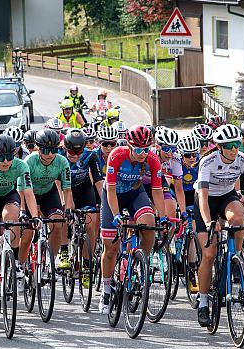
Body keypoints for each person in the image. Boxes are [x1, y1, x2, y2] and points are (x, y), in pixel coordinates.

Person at [194, 124, 244, 327]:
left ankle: (235, 257)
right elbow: (203, 197)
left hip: (227, 196)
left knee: (239, 218)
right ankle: (203, 300)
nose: (234, 149)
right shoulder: (208, 162)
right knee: (209, 254)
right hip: (206, 200)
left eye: (237, 144)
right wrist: (207, 223)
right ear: (220, 147)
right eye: (229, 145)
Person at [98, 125, 168, 314]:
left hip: (135, 194)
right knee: (111, 248)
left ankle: (140, 264)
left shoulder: (153, 160)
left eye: (146, 149)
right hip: (113, 197)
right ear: (129, 146)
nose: (142, 154)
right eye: (138, 150)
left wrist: (162, 216)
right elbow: (110, 190)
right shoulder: (117, 155)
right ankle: (105, 289)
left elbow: (156, 191)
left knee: (150, 224)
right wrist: (116, 216)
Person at [0, 134, 39, 318]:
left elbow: (28, 193)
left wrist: (34, 216)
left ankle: (10, 256)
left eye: (9, 157)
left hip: (8, 197)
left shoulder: (21, 165)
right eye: (0, 158)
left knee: (11, 219)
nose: (5, 162)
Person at [19, 129, 72, 272]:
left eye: (53, 150)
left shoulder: (62, 161)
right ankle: (20, 267)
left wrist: (67, 210)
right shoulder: (30, 161)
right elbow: (22, 189)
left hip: (49, 193)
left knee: (58, 223)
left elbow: (66, 189)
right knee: (27, 235)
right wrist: (23, 210)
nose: (49, 154)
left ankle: (51, 260)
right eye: (45, 150)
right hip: (30, 194)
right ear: (38, 148)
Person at [62, 129, 104, 278]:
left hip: (84, 189)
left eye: (79, 153)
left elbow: (99, 182)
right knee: (64, 216)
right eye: (72, 153)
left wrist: (106, 203)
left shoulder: (90, 155)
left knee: (91, 223)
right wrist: (66, 205)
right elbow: (56, 183)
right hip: (64, 189)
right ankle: (64, 251)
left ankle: (87, 263)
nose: (75, 156)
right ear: (65, 148)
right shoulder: (59, 156)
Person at [152, 127, 186, 219]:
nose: (170, 154)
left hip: (160, 183)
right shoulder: (150, 155)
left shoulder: (175, 158)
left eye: (173, 149)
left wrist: (183, 211)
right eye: (166, 149)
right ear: (157, 146)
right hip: (146, 183)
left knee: (171, 217)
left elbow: (178, 188)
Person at [177, 135, 201, 209]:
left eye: (194, 155)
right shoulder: (177, 163)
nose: (191, 158)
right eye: (187, 155)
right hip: (179, 191)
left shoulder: (201, 161)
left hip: (195, 191)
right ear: (181, 155)